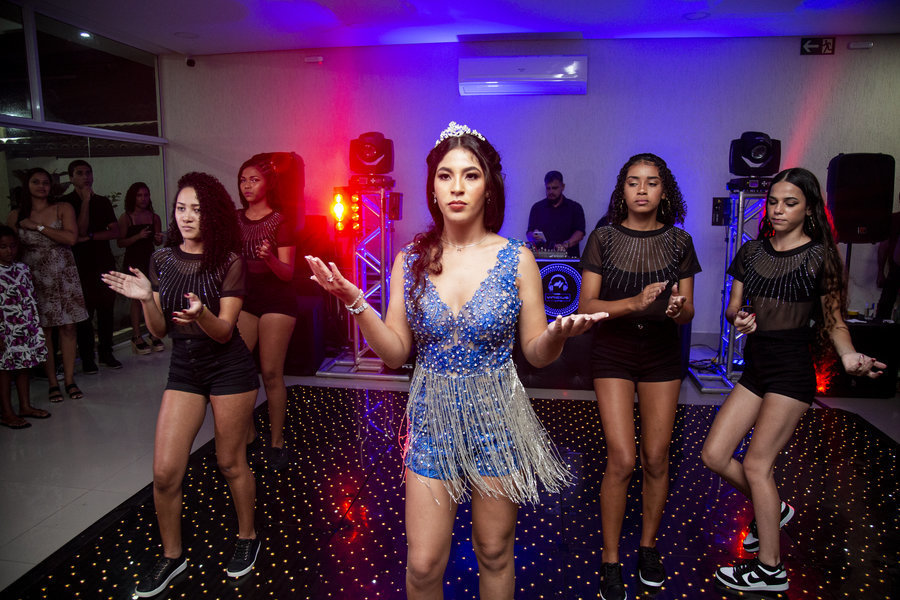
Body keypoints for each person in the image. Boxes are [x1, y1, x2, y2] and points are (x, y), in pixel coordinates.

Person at [306, 121, 605, 599]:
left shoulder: (517, 259)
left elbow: (536, 353)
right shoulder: (411, 259)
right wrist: (356, 302)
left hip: (498, 420)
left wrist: (556, 336)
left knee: (494, 551)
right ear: (433, 187)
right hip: (432, 422)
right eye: (445, 176)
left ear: (489, 187)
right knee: (423, 564)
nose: (457, 187)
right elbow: (395, 352)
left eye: (470, 175)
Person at [701, 167, 884, 593]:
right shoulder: (751, 251)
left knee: (757, 465)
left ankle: (770, 569)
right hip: (756, 368)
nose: (778, 210)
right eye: (774, 202)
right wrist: (739, 319)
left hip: (792, 371)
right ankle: (775, 508)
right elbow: (733, 307)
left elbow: (835, 322)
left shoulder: (820, 257)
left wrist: (849, 355)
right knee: (714, 454)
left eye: (790, 203)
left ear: (809, 209)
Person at [102, 172, 261, 598]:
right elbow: (158, 331)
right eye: (181, 208)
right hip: (185, 371)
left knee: (230, 463)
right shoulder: (162, 259)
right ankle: (173, 557)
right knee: (164, 473)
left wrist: (201, 314)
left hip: (229, 369)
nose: (187, 217)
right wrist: (145, 299)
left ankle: (247, 536)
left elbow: (224, 331)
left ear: (213, 215)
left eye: (197, 210)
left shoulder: (229, 261)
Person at [577, 153, 700, 600]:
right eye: (633, 182)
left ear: (664, 191)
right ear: (622, 190)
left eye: (651, 182)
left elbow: (687, 312)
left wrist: (676, 309)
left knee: (657, 457)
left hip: (662, 354)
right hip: (613, 350)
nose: (642, 190)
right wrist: (634, 303)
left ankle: (647, 547)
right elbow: (587, 307)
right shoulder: (604, 238)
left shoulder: (680, 241)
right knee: (623, 459)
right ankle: (610, 559)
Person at [236, 154, 297, 471]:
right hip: (245, 298)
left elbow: (288, 273)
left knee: (271, 373)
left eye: (254, 180)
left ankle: (276, 442)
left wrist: (270, 258)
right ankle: (248, 434)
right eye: (243, 180)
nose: (247, 185)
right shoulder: (235, 219)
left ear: (267, 185)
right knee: (237, 367)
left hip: (277, 299)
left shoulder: (280, 221)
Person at [7, 167, 89, 402]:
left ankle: (70, 380)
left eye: (45, 182)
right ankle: (53, 381)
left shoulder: (63, 207)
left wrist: (38, 227)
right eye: (36, 182)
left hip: (64, 274)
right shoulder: (16, 215)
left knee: (69, 327)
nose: (42, 186)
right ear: (27, 185)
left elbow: (71, 238)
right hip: (34, 276)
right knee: (45, 331)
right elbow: (9, 248)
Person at [61, 160, 122, 372]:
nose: (85, 177)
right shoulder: (66, 203)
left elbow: (115, 231)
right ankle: (87, 358)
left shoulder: (103, 202)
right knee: (84, 314)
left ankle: (106, 352)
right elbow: (77, 231)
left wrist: (90, 236)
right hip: (80, 266)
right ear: (71, 178)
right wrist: (86, 201)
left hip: (103, 262)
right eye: (79, 173)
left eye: (88, 172)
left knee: (106, 310)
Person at [0, 225, 50, 428]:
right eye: (3, 247)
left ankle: (25, 406)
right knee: (4, 371)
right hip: (5, 330)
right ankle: (6, 412)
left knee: (24, 366)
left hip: (24, 326)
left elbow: (30, 297)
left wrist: (34, 326)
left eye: (12, 246)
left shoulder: (22, 268)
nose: (9, 251)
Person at [117, 182, 165, 354]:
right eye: (139, 195)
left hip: (150, 260)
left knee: (154, 297)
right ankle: (136, 336)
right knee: (136, 300)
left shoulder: (154, 217)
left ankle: (154, 333)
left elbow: (157, 242)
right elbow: (120, 242)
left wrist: (159, 238)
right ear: (133, 197)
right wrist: (138, 236)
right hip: (134, 261)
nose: (143, 198)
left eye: (146, 195)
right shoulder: (126, 217)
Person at [526, 170, 586, 257]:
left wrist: (565, 245)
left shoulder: (575, 208)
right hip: (542, 259)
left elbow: (580, 233)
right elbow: (529, 233)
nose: (551, 192)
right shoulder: (537, 208)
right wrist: (533, 236)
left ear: (563, 187)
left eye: (555, 188)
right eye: (548, 188)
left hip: (568, 258)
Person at [875, 207, 900, 320]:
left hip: (895, 267)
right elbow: (884, 245)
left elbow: (884, 245)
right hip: (895, 268)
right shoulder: (894, 220)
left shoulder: (894, 219)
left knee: (885, 305)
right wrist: (880, 272)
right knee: (885, 306)